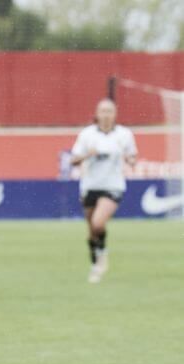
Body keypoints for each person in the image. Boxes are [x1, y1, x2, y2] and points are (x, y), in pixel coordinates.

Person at [70, 98, 137, 283]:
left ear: (115, 114)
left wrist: (129, 159)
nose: (106, 115)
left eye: (110, 111)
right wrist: (87, 154)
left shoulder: (124, 135)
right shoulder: (87, 134)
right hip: (90, 186)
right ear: (97, 114)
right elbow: (73, 160)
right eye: (103, 111)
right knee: (92, 231)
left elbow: (132, 157)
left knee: (98, 223)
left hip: (113, 186)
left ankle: (103, 254)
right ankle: (95, 264)